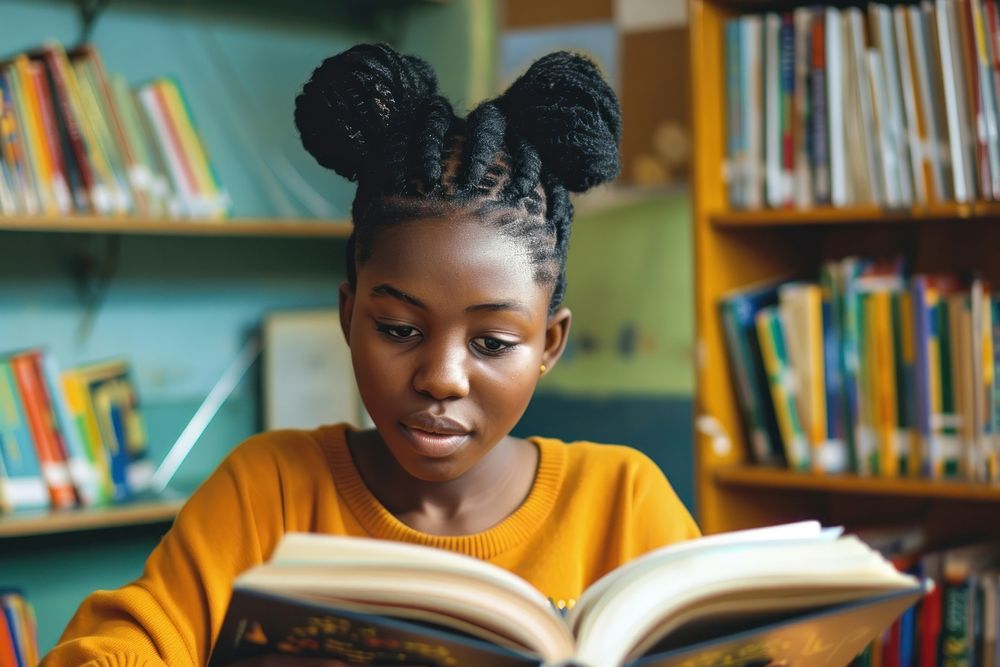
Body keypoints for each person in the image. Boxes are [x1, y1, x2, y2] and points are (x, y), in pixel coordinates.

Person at [41, 43, 700, 667]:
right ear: (349, 314)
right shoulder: (265, 491)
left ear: (549, 343)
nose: (441, 378)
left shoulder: (624, 501)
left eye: (492, 343)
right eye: (398, 328)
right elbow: (118, 642)